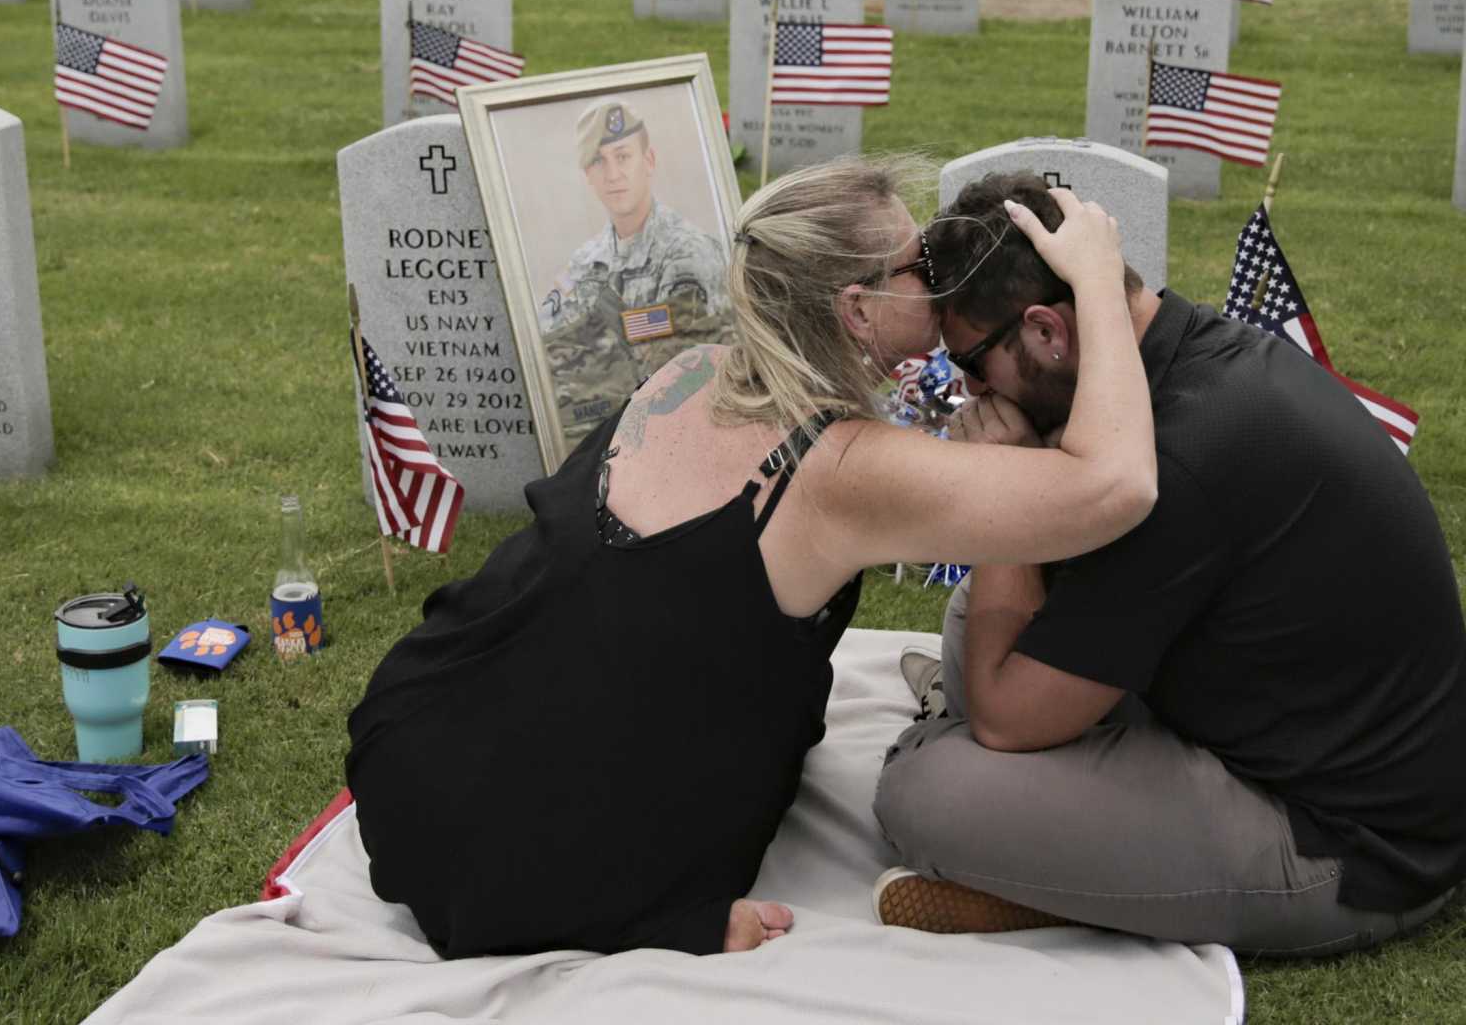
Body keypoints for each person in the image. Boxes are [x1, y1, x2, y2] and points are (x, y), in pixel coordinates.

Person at [346, 158, 1158, 959]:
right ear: (857, 309)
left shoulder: (690, 368)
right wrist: (1097, 286)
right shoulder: (845, 470)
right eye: (919, 267)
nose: (941, 277)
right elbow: (1114, 486)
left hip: (418, 739)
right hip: (523, 861)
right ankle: (634, 912)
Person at [874, 173, 1466, 954]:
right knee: (980, 618)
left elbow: (1005, 720)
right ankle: (1088, 863)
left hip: (1348, 850)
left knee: (924, 788)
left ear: (1050, 331)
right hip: (1284, 733)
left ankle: (1078, 889)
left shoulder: (1185, 459)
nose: (965, 390)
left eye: (972, 365)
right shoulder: (1180, 356)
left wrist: (1005, 488)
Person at [537, 100, 732, 448]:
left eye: (623, 156)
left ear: (649, 161)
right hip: (598, 433)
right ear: (588, 176)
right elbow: (547, 339)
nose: (613, 174)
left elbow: (685, 357)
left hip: (682, 433)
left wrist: (603, 333)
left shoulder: (688, 251)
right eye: (599, 161)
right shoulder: (584, 260)